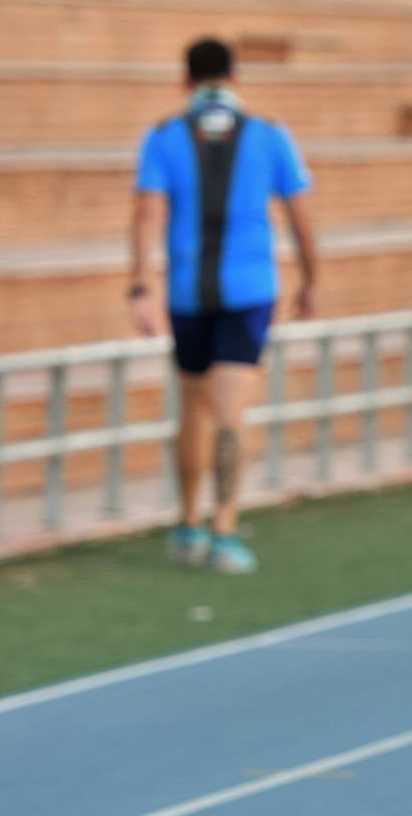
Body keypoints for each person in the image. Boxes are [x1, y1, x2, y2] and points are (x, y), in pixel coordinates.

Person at [128, 37, 318, 573]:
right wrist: (312, 279)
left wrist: (140, 285)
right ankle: (224, 529)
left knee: (192, 406)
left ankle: (187, 524)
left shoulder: (164, 137)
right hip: (249, 291)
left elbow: (147, 215)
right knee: (230, 411)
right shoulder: (269, 135)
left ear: (185, 80)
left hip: (189, 291)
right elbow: (301, 214)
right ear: (235, 77)